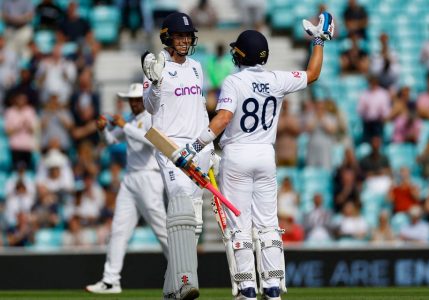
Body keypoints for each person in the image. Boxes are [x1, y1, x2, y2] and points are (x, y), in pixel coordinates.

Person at [167, 13, 334, 300]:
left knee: (239, 228)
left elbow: (222, 119)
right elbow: (313, 74)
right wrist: (319, 40)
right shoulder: (277, 79)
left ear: (241, 53)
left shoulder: (235, 82)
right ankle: (272, 288)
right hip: (266, 157)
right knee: (269, 226)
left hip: (237, 156)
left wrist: (193, 147)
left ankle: (246, 288)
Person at [141, 12, 214, 299]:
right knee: (181, 206)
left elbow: (200, 108)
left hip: (198, 147)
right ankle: (185, 281)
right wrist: (156, 83)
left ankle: (171, 289)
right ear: (167, 37)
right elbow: (149, 107)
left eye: (187, 36)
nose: (184, 40)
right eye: (179, 36)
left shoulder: (197, 67)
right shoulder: (154, 65)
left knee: (193, 223)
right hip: (170, 147)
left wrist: (210, 149)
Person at [85, 83, 168, 294]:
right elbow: (111, 141)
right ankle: (111, 280)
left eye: (137, 99)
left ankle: (184, 274)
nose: (133, 103)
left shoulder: (151, 118)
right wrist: (103, 130)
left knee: (162, 230)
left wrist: (124, 126)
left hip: (150, 177)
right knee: (118, 230)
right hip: (130, 178)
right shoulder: (130, 120)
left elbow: (153, 141)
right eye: (131, 100)